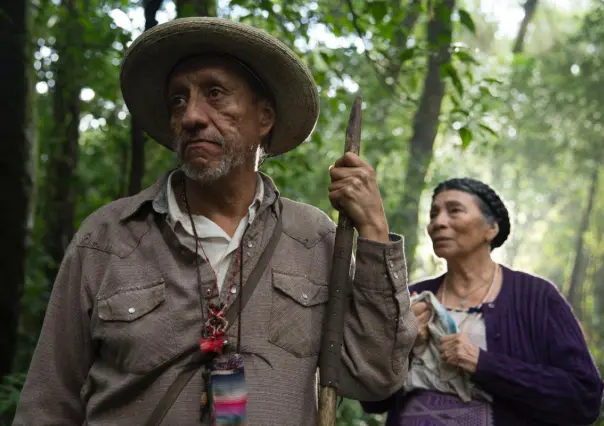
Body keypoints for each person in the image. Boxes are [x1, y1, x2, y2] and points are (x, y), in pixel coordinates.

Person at [13, 17, 418, 426]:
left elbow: (376, 376)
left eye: (215, 93)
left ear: (264, 117)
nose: (191, 115)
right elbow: (48, 403)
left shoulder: (313, 240)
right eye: (178, 100)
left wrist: (374, 234)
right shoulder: (106, 239)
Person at [362, 177, 603, 425]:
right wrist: (404, 348)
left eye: (454, 211)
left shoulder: (537, 296)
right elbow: (372, 401)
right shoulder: (412, 297)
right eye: (433, 214)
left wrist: (482, 363)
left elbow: (584, 398)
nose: (438, 223)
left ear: (491, 228)